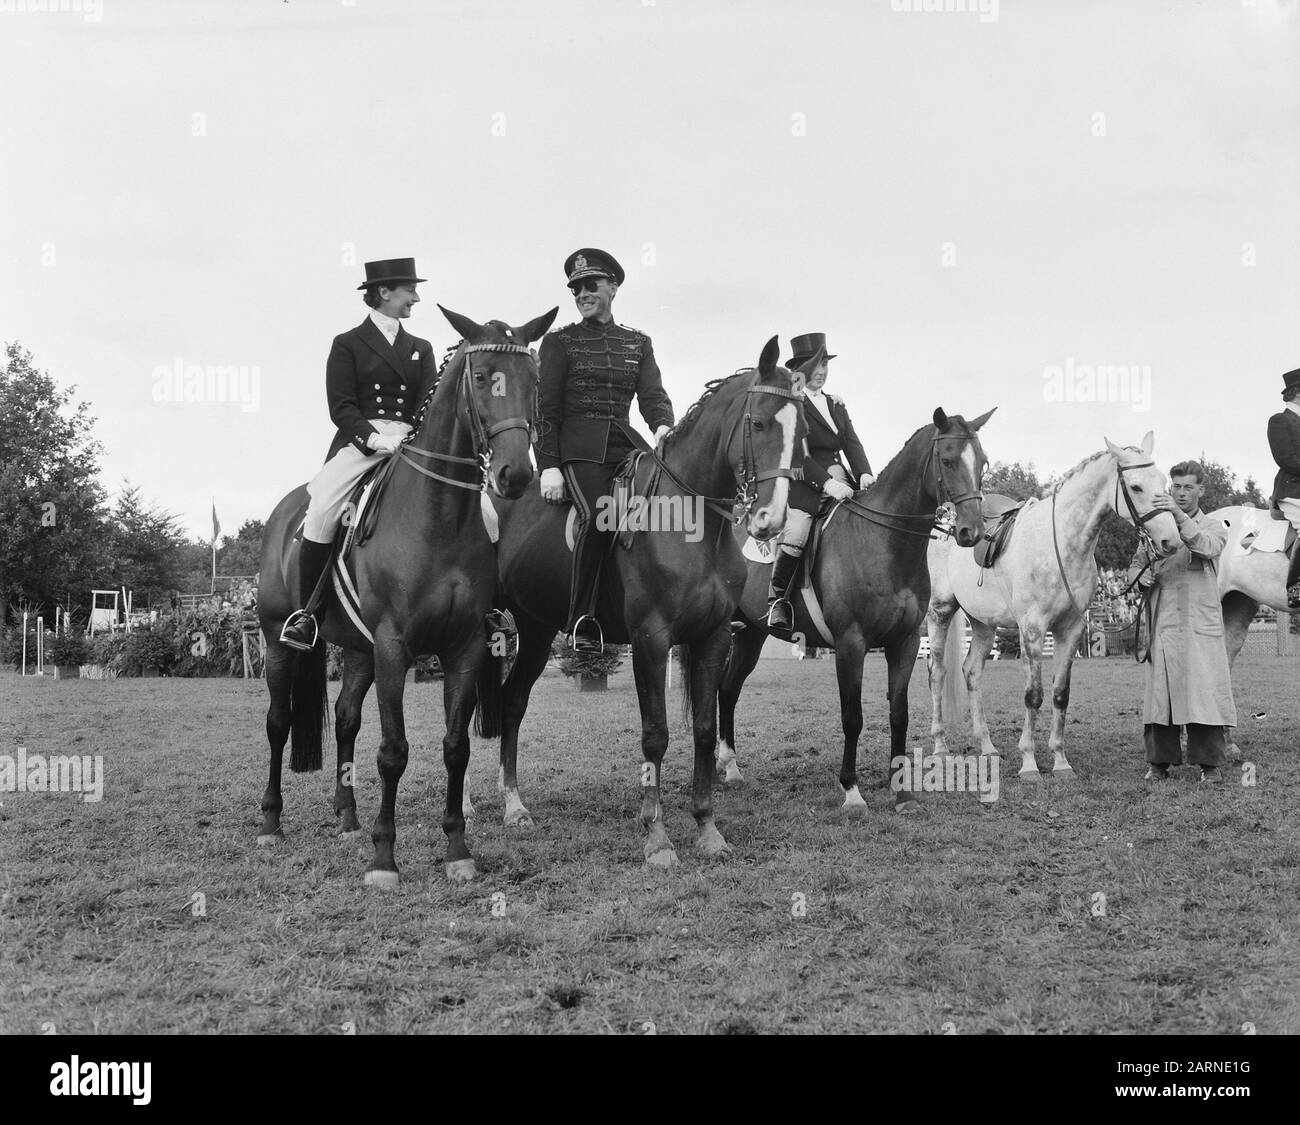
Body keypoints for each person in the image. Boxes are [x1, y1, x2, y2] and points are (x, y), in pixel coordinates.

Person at [279, 258, 440, 651]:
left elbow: (428, 401)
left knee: (482, 509)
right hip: (361, 444)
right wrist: (373, 438)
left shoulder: (421, 347)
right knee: (321, 511)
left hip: (412, 445)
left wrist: (415, 436)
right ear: (384, 292)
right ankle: (307, 614)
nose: (416, 298)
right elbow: (342, 405)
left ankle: (488, 610)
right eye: (410, 291)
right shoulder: (347, 343)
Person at [536, 248, 674, 652]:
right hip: (578, 452)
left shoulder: (638, 342)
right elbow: (545, 411)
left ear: (613, 287)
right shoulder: (559, 342)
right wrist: (548, 466)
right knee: (600, 515)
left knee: (674, 507)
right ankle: (582, 619)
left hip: (627, 444)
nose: (581, 292)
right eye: (575, 288)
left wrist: (663, 426)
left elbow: (652, 396)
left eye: (590, 284)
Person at [1127, 461, 1237, 783]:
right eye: (1176, 487)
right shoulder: (1155, 527)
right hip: (1163, 622)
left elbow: (1207, 547)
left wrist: (1178, 515)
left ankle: (1210, 766)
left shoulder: (1214, 526)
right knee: (1160, 695)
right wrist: (1140, 575)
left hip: (1199, 625)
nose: (1181, 493)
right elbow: (1135, 564)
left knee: (1203, 692)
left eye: (1189, 487)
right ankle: (1158, 764)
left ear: (1201, 490)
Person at [765, 333, 874, 638]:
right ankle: (779, 602)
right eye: (816, 364)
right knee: (798, 531)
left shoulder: (835, 404)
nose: (822, 370)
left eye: (825, 363)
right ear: (799, 369)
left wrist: (864, 473)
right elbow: (797, 454)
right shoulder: (790, 404)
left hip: (842, 483)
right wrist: (826, 483)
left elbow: (852, 442)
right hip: (804, 486)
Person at [1266, 366, 1300, 608]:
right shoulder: (1280, 421)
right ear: (1297, 392)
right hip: (1293, 490)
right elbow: (1286, 459)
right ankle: (1296, 586)